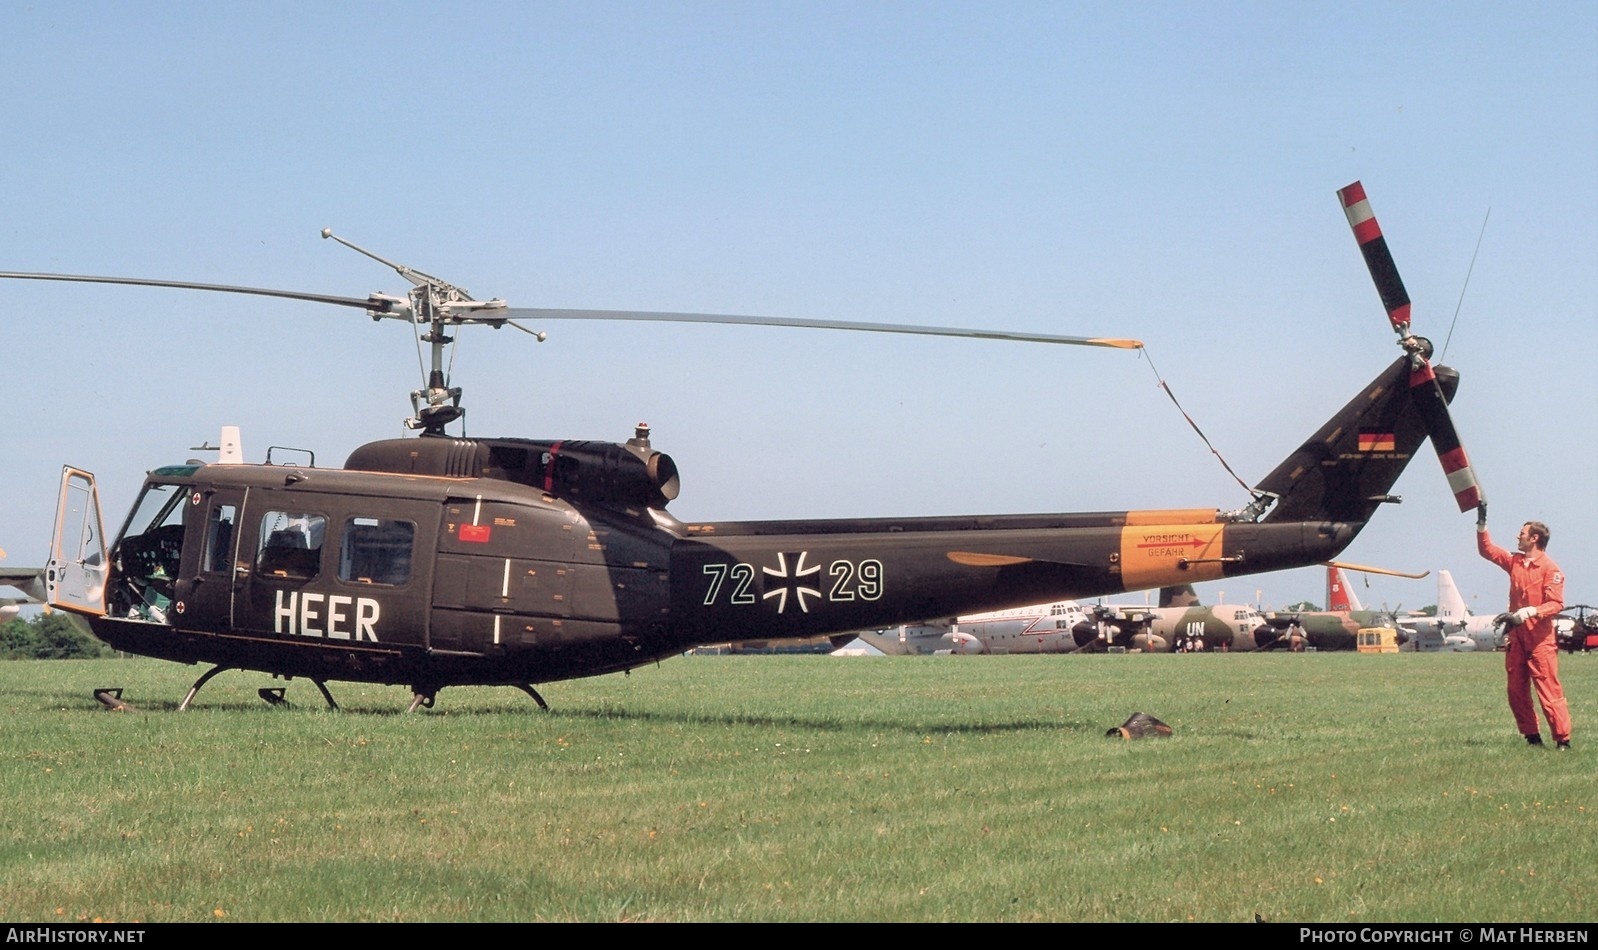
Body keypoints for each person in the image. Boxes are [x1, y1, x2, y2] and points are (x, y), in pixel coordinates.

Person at [1477, 505, 1571, 750]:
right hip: (1517, 639)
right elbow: (1488, 551)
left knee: (1548, 690)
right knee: (1515, 690)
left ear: (1534, 538)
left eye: (1522, 533)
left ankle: (1562, 740)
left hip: (1540, 641)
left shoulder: (1551, 569)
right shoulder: (1515, 562)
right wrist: (1481, 526)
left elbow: (1556, 604)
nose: (1517, 537)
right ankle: (1532, 738)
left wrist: (1529, 611)